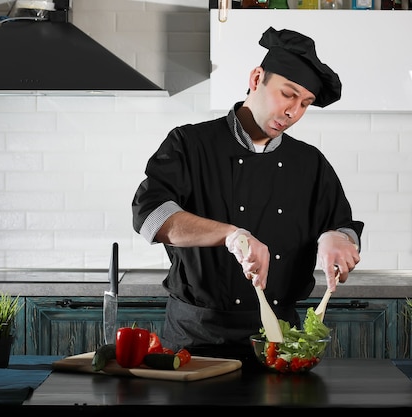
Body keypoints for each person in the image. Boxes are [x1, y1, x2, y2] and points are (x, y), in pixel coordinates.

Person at [132, 26, 364, 363]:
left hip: (281, 342)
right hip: (195, 340)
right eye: (288, 94)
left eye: (305, 104)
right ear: (257, 79)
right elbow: (152, 216)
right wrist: (231, 235)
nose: (293, 112)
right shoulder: (190, 144)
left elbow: (341, 225)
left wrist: (337, 238)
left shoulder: (310, 163)